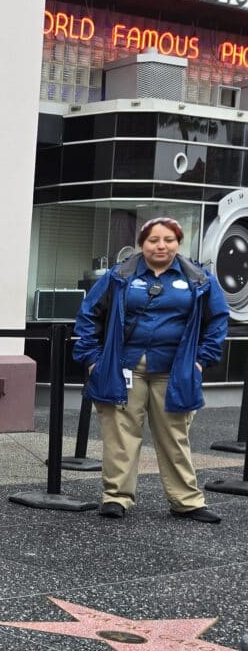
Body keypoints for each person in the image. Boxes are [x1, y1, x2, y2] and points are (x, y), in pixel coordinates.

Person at [73, 217, 229, 522]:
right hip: (122, 367)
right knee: (120, 434)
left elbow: (218, 320)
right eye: (153, 240)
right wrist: (92, 359)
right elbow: (88, 314)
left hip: (176, 370)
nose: (161, 245)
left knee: (175, 435)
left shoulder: (198, 278)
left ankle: (186, 501)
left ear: (178, 243)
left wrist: (201, 361)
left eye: (169, 240)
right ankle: (116, 497)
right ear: (142, 243)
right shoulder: (120, 276)